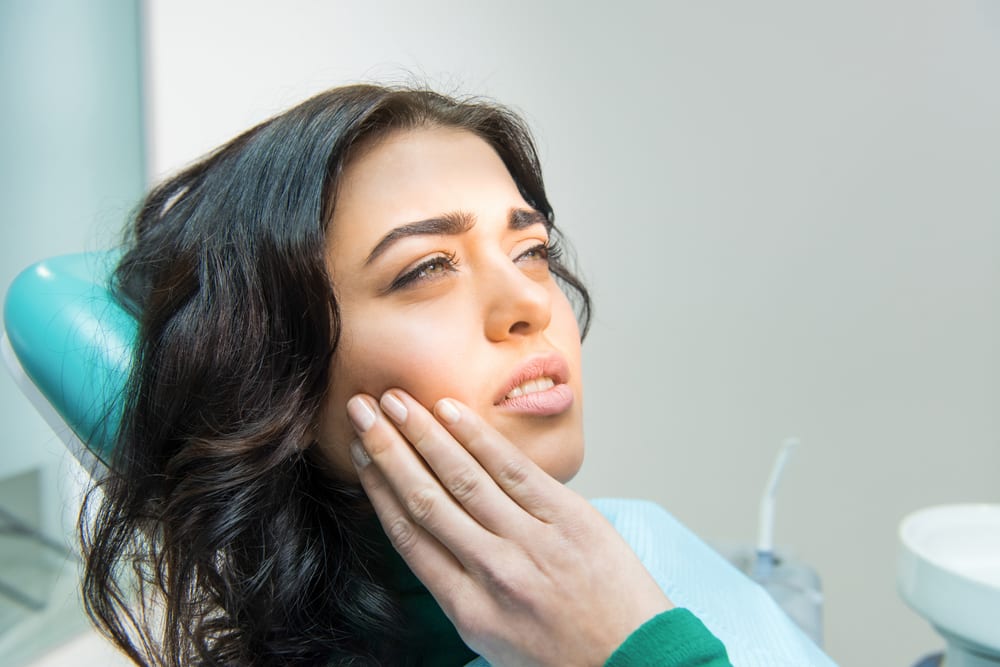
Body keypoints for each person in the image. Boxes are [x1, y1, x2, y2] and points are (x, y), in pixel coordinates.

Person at [81, 84, 836, 666]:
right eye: (425, 268)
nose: (529, 302)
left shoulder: (641, 537)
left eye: (530, 250)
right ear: (281, 381)